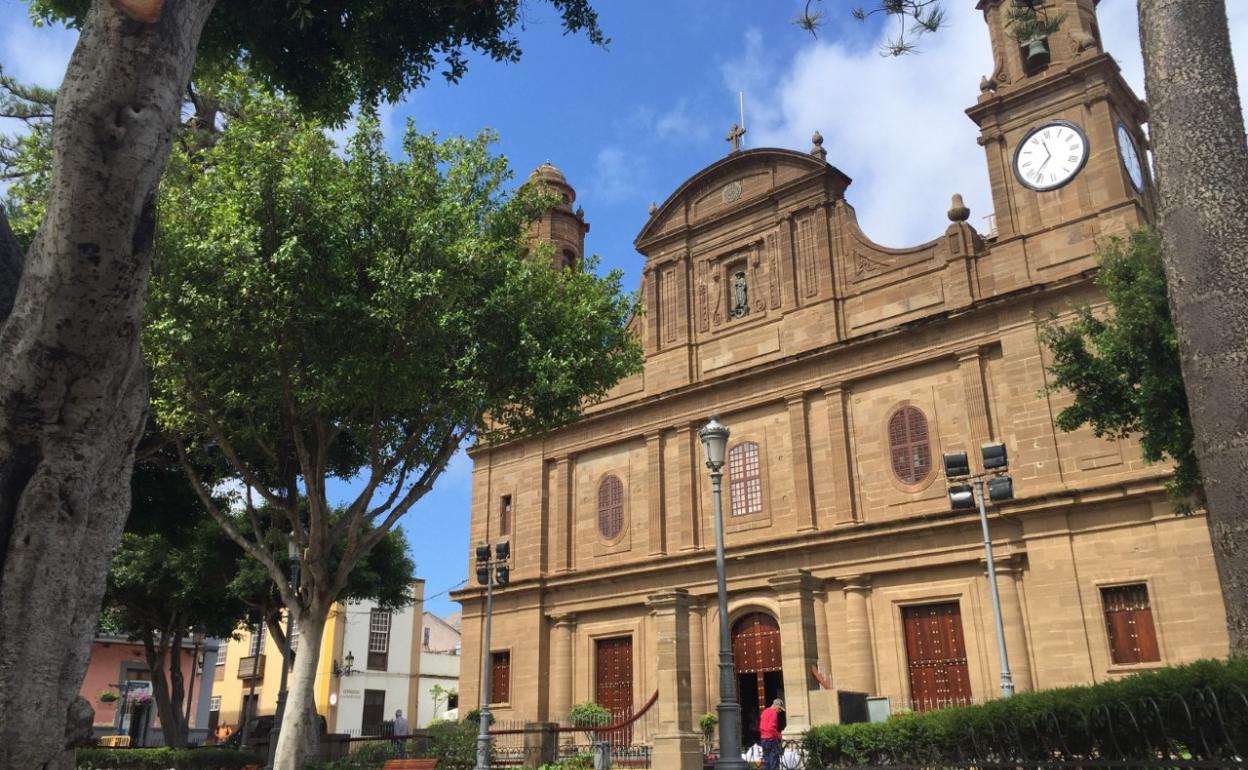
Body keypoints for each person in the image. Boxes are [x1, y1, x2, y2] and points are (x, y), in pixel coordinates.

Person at [759, 699, 784, 770]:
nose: (780, 711)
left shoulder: (764, 711)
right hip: (771, 739)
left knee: (766, 761)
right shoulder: (773, 713)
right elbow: (771, 728)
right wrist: (779, 736)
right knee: (774, 761)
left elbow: (761, 726)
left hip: (763, 739)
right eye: (780, 709)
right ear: (776, 706)